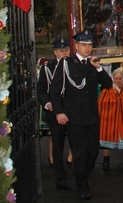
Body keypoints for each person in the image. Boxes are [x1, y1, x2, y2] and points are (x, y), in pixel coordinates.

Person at [50, 31, 113, 200]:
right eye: (84, 45)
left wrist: (98, 68)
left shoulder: (93, 65)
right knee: (80, 152)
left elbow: (108, 84)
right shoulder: (66, 64)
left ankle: (82, 176)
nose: (87, 48)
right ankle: (82, 184)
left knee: (93, 152)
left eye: (90, 45)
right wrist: (59, 112)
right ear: (76, 46)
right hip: (74, 116)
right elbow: (54, 91)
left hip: (91, 116)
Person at [36, 36, 72, 190]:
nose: (64, 52)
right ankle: (60, 177)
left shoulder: (75, 65)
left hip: (72, 110)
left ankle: (81, 174)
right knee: (58, 145)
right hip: (55, 110)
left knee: (78, 142)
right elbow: (41, 91)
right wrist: (48, 104)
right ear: (55, 52)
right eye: (61, 50)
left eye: (66, 50)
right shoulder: (47, 68)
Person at [98, 66, 123, 172]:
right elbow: (101, 105)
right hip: (110, 120)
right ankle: (106, 161)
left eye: (120, 78)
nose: (118, 81)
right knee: (107, 140)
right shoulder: (107, 90)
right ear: (113, 79)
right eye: (116, 79)